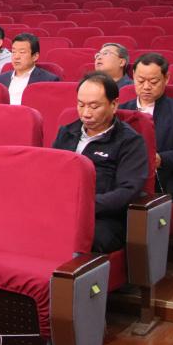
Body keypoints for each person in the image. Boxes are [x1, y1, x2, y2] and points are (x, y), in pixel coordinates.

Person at [52, 72, 148, 253]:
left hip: (103, 216)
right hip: (62, 208)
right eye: (81, 105)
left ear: (114, 105)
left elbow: (128, 190)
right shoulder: (67, 132)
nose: (86, 113)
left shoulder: (129, 141)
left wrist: (84, 206)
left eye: (94, 106)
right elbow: (50, 173)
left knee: (76, 236)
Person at [119, 53, 173, 199]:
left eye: (153, 82)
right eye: (140, 80)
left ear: (166, 78)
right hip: (124, 180)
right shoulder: (121, 111)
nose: (146, 87)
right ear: (133, 76)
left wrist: (162, 159)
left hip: (163, 181)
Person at [0, 33, 60, 104]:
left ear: (35, 56)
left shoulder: (48, 80)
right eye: (13, 52)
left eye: (22, 52)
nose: (16, 57)